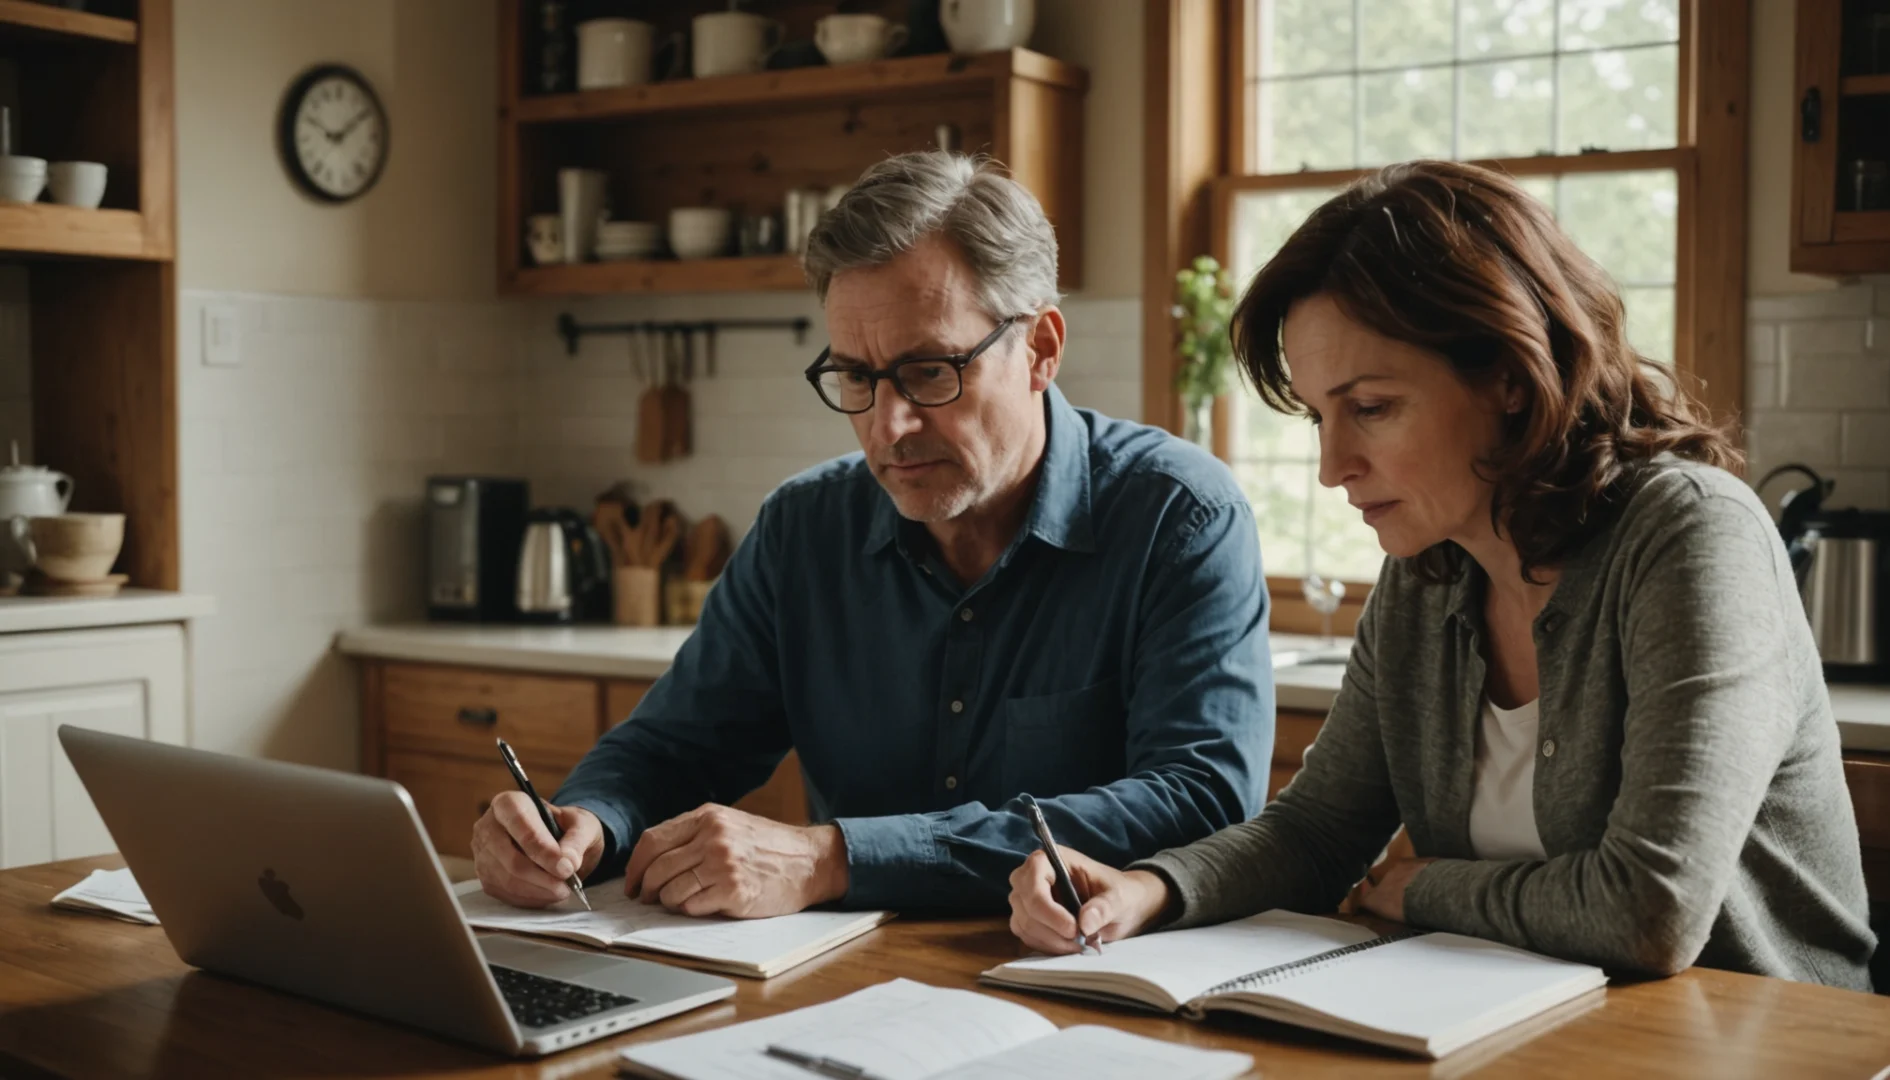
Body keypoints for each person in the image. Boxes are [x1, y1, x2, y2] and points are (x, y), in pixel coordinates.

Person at [1008, 159, 1877, 990]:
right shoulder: (1429, 573)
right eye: (1319, 417)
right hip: (1526, 1027)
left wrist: (1420, 887)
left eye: (1372, 408)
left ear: (1507, 373)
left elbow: (1651, 908)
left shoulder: (1692, 534)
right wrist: (1149, 889)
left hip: (1760, 1039)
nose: (1332, 464)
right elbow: (1318, 831)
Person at [472, 151, 1274, 917]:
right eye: (855, 376)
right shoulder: (802, 528)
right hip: (837, 988)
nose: (888, 426)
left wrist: (835, 858)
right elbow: (676, 745)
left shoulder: (1180, 515)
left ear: (1041, 349)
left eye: (930, 371)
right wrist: (582, 823)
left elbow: (1201, 800)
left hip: (1082, 986)